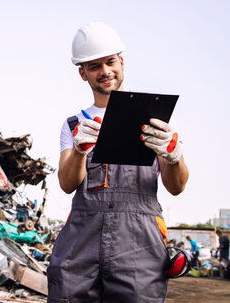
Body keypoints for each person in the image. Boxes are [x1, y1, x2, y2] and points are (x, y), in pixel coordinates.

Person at [46, 22, 189, 303]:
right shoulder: (74, 124)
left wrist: (174, 157)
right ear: (82, 73)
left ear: (121, 61)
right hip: (81, 242)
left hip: (139, 244)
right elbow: (66, 183)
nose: (105, 72)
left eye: (110, 62)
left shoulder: (154, 116)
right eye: (94, 66)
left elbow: (177, 186)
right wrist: (79, 150)